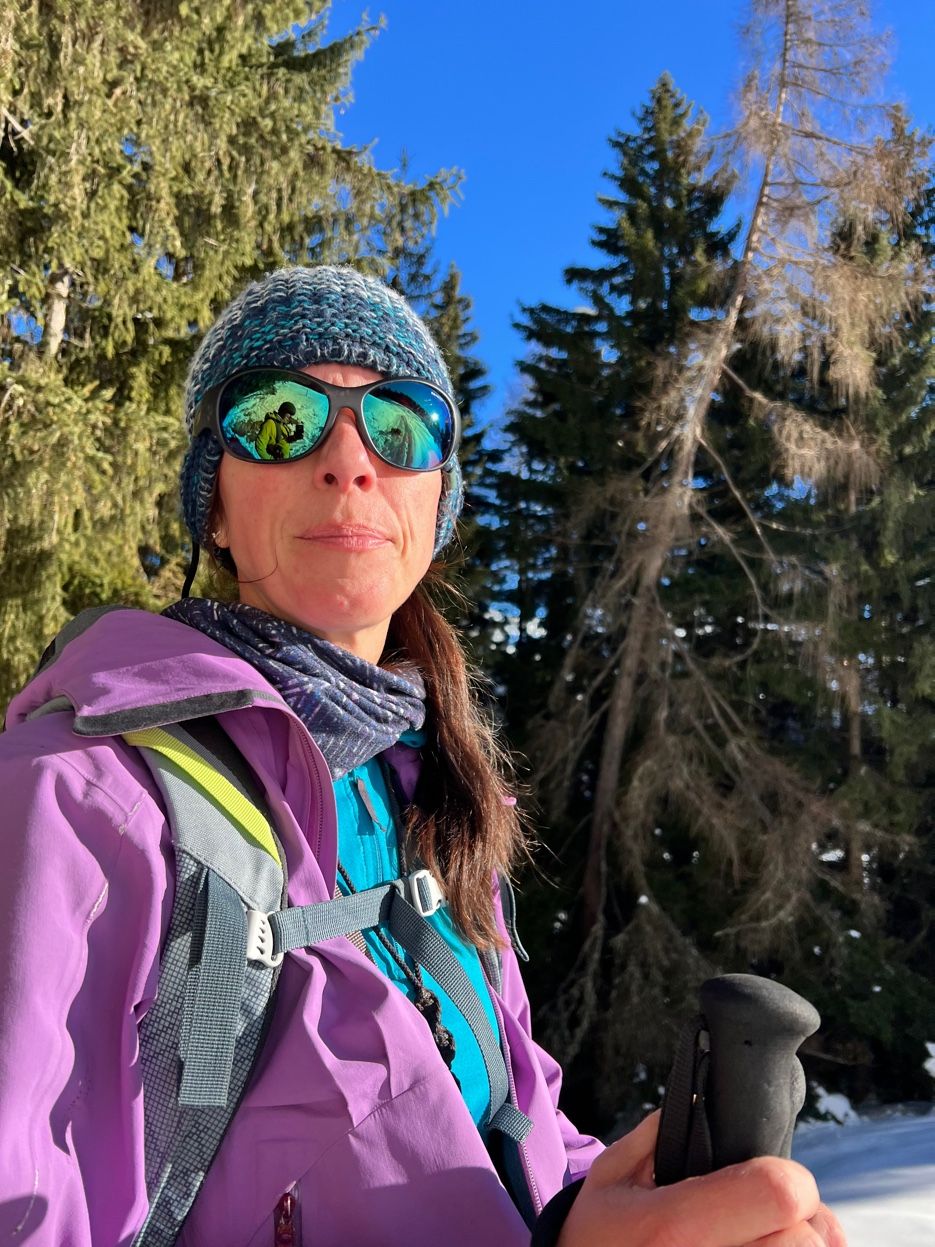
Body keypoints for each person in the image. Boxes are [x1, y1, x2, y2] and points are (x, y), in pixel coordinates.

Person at [0, 266, 845, 1247]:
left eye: (398, 425)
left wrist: (590, 1211)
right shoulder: (76, 791)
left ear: (434, 499)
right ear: (214, 508)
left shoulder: (437, 801)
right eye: (280, 417)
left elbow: (502, 1137)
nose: (349, 459)